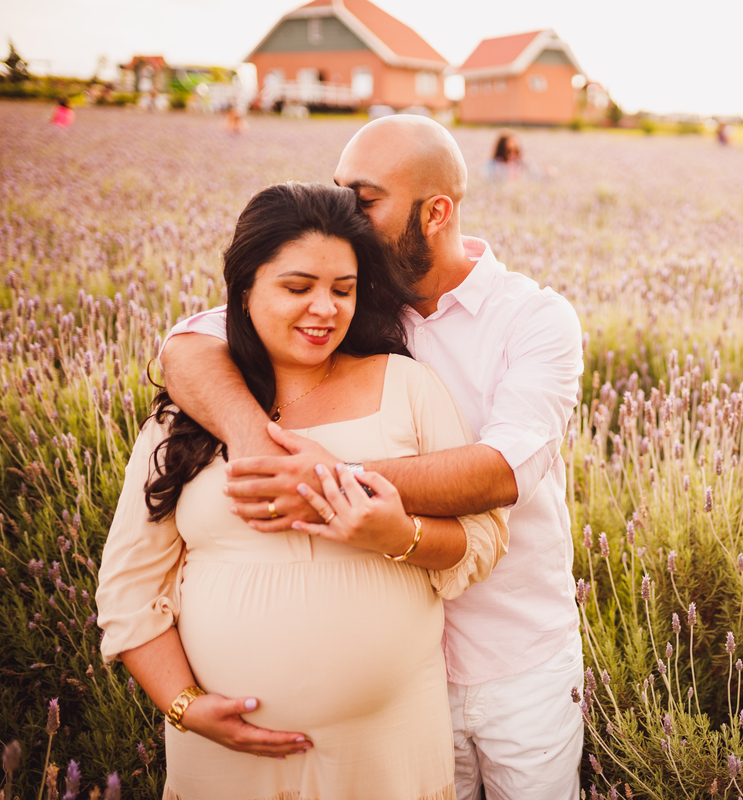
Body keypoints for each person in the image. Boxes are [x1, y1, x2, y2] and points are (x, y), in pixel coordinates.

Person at [159, 116, 585, 800]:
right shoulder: (342, 297)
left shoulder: (533, 319)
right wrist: (251, 441)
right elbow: (188, 345)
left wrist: (326, 482)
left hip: (515, 660)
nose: (343, 216)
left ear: (435, 213)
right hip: (403, 683)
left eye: (363, 200)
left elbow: (502, 471)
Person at [97, 182, 508, 800]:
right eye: (297, 288)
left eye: (343, 290)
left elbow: (483, 539)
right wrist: (183, 705)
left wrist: (399, 535)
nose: (324, 309)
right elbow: (130, 585)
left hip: (384, 751)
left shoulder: (406, 385)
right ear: (244, 290)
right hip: (225, 762)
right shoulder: (190, 413)